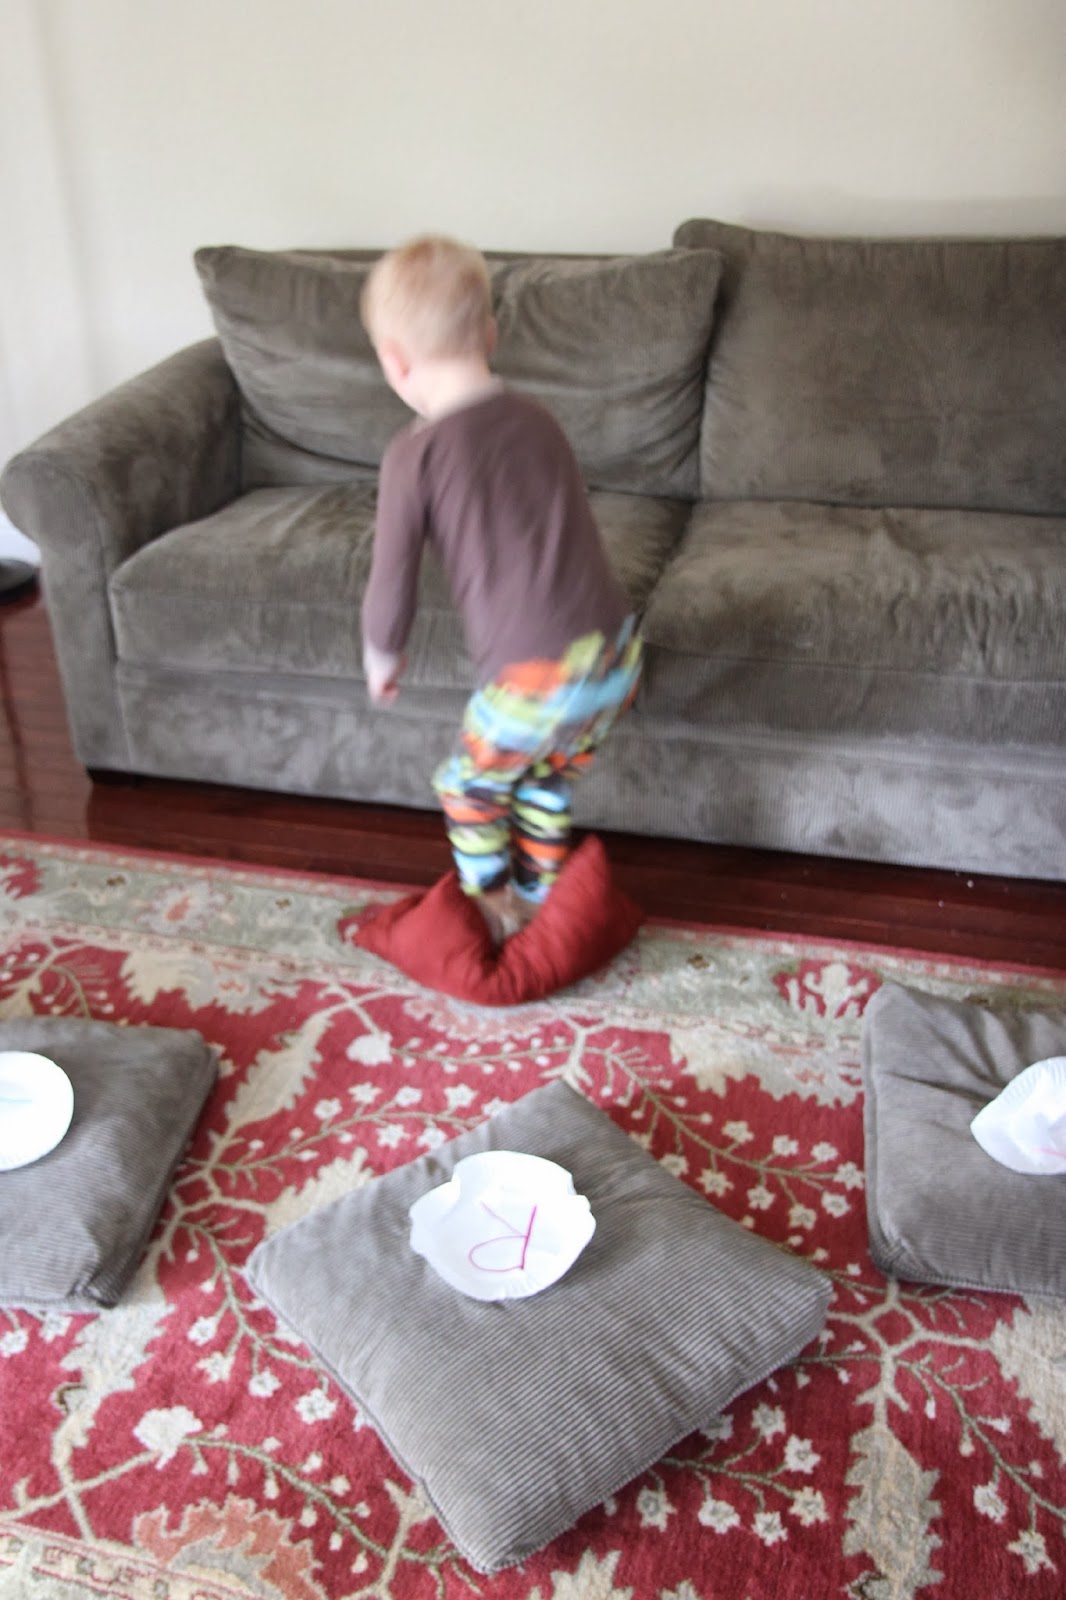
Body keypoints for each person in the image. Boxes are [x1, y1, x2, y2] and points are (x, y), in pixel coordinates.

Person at [359, 235, 642, 946]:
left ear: (394, 360)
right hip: (614, 657)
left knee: (471, 787)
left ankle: (490, 910)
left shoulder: (414, 453)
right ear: (489, 333)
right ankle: (542, 895)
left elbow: (391, 580)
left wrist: (381, 656)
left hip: (534, 676)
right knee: (544, 777)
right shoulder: (538, 419)